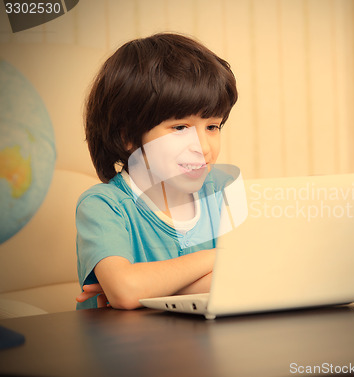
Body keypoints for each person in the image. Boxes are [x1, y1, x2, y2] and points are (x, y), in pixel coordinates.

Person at [75, 33, 238, 310]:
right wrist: (222, 257)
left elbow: (254, 273)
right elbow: (127, 291)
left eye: (212, 126)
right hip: (123, 350)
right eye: (179, 128)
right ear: (128, 136)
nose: (202, 147)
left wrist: (148, 288)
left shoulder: (223, 190)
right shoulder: (104, 206)